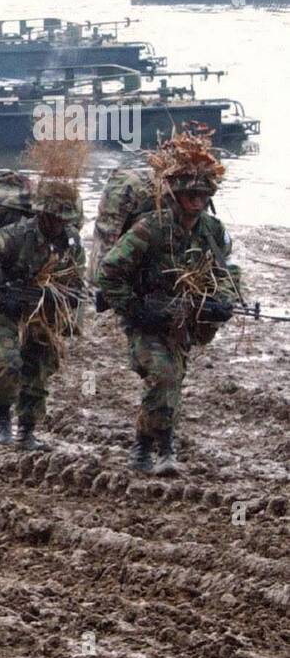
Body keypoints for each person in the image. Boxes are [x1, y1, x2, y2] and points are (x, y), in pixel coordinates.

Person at [97, 132, 239, 476]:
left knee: (171, 382)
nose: (197, 200)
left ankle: (147, 445)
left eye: (203, 194)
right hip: (145, 319)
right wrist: (134, 309)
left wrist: (223, 303)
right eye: (191, 194)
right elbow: (109, 273)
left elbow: (227, 272)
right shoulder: (152, 228)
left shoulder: (212, 231)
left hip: (183, 323)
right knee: (163, 376)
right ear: (176, 194)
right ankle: (163, 449)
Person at [0, 182, 85, 449]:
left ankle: (27, 431)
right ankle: (3, 419)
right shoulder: (15, 236)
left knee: (39, 369)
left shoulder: (72, 240)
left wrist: (65, 306)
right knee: (8, 364)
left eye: (64, 218)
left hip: (44, 314)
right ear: (42, 214)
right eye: (54, 217)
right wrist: (1, 297)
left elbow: (78, 283)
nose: (58, 223)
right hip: (7, 311)